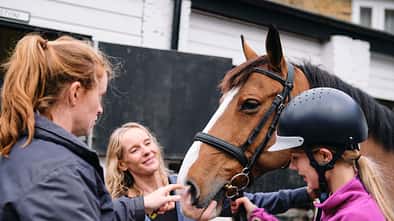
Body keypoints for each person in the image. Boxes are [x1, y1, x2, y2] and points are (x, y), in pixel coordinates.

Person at [0, 34, 182, 221]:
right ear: (76, 93)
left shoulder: (30, 152)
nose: (100, 109)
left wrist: (141, 204)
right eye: (99, 95)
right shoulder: (60, 174)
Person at [231, 87, 394, 221]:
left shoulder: (357, 217)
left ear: (324, 157)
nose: (293, 167)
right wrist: (257, 215)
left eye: (296, 158)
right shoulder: (337, 207)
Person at [105, 122, 313, 221]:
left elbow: (250, 202)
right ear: (122, 164)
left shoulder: (187, 185)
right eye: (134, 149)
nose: (146, 151)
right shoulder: (124, 209)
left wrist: (306, 193)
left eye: (147, 143)